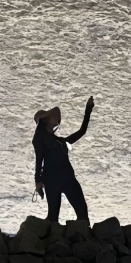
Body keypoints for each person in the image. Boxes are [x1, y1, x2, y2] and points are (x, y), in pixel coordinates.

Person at [33, 96, 94, 225]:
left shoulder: (61, 141)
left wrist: (88, 110)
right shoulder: (39, 138)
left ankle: (80, 235)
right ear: (44, 120)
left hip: (68, 178)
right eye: (51, 116)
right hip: (51, 180)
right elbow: (39, 159)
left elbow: (82, 131)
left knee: (83, 214)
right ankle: (50, 235)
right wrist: (38, 181)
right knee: (53, 218)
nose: (56, 118)